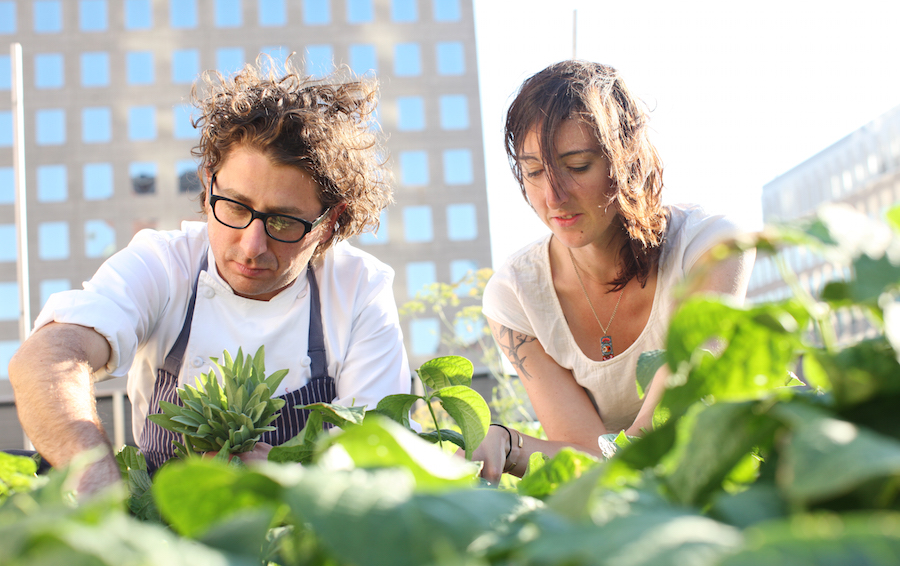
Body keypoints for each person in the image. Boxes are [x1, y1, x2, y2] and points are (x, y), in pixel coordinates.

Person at [9, 57, 411, 495]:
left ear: (330, 223)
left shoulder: (358, 290)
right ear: (208, 186)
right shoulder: (164, 263)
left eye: (282, 222)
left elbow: (382, 456)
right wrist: (95, 480)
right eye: (235, 207)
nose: (251, 246)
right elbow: (47, 358)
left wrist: (287, 479)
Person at [474, 60, 755, 484]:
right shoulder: (515, 297)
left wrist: (524, 448)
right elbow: (586, 456)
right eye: (533, 172)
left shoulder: (710, 249)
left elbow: (662, 430)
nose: (553, 196)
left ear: (625, 160)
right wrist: (508, 443)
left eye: (578, 165)